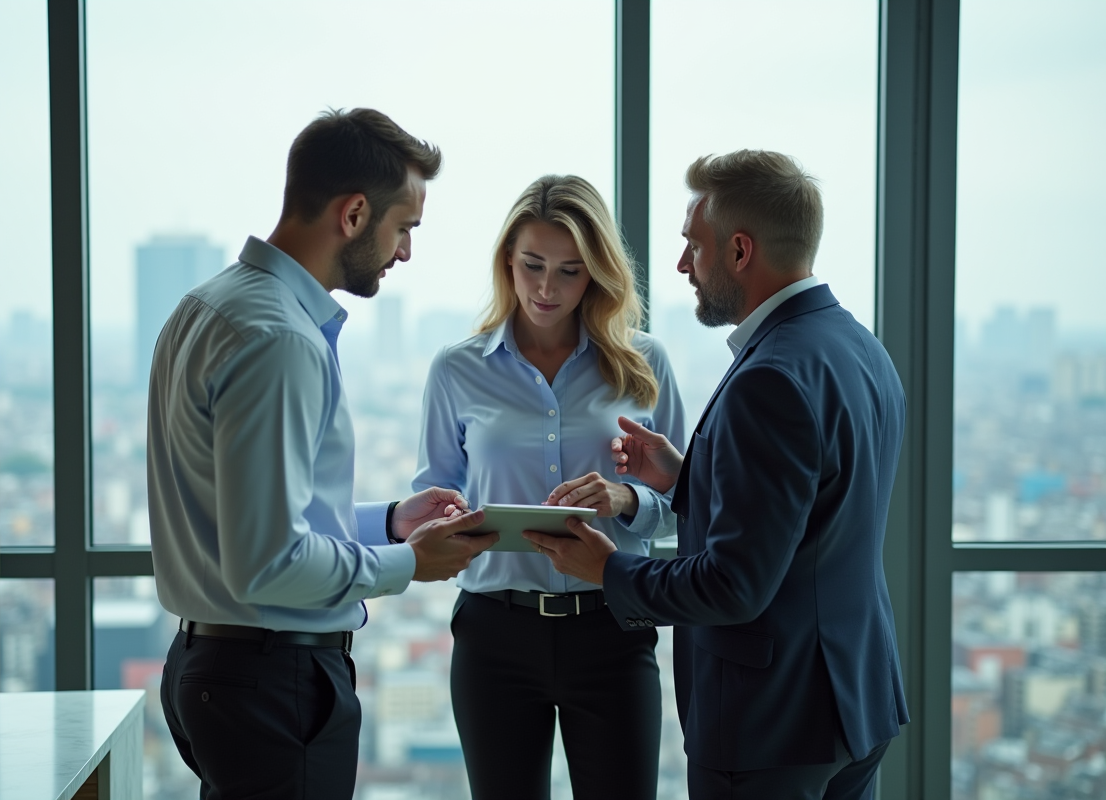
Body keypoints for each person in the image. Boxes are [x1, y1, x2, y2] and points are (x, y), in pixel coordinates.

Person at [525, 150, 909, 800]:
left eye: (692, 247)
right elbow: (815, 513)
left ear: (739, 251)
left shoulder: (770, 378)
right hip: (855, 701)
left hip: (772, 722)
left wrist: (607, 569)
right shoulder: (856, 347)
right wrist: (688, 480)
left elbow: (733, 587)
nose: (680, 267)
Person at [147, 108, 498, 800]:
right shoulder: (279, 339)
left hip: (215, 666)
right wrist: (408, 562)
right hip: (271, 681)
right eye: (404, 229)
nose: (404, 253)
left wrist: (391, 520)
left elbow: (253, 518)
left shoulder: (208, 306)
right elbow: (269, 561)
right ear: (354, 214)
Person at [413, 175, 686, 800]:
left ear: (595, 274)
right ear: (507, 259)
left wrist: (626, 499)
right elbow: (432, 490)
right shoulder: (456, 369)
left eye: (569, 271)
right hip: (494, 635)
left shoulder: (646, 364)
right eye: (532, 265)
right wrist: (455, 521)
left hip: (612, 625)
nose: (545, 288)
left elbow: (682, 501)